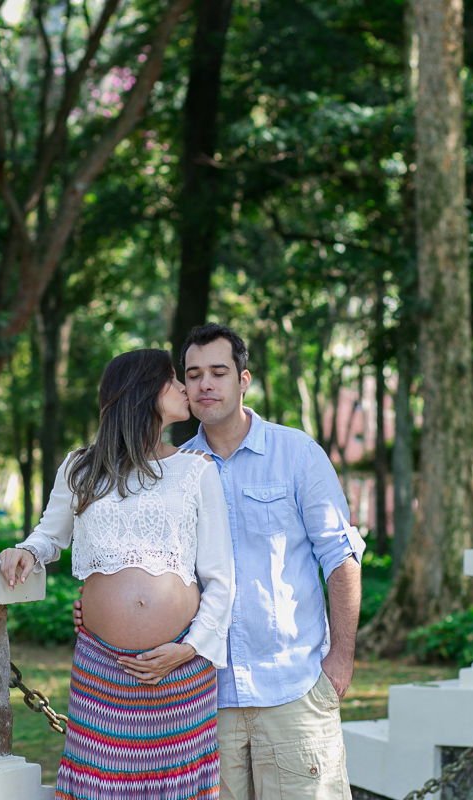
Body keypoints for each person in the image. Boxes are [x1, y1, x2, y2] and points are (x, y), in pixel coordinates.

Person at [76, 323, 365, 800]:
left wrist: (340, 661)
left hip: (293, 688)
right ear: (182, 387)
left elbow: (341, 558)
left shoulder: (296, 454)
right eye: (192, 375)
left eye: (218, 372)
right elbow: (143, 557)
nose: (205, 384)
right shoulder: (174, 469)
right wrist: (101, 607)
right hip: (206, 696)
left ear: (243, 379)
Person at [0, 348, 235, 800]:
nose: (185, 388)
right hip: (102, 668)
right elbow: (49, 536)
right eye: (173, 380)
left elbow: (221, 578)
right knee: (97, 787)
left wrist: (187, 650)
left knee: (179, 790)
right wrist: (25, 551)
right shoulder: (81, 467)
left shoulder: (196, 471)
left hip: (180, 672)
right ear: (144, 391)